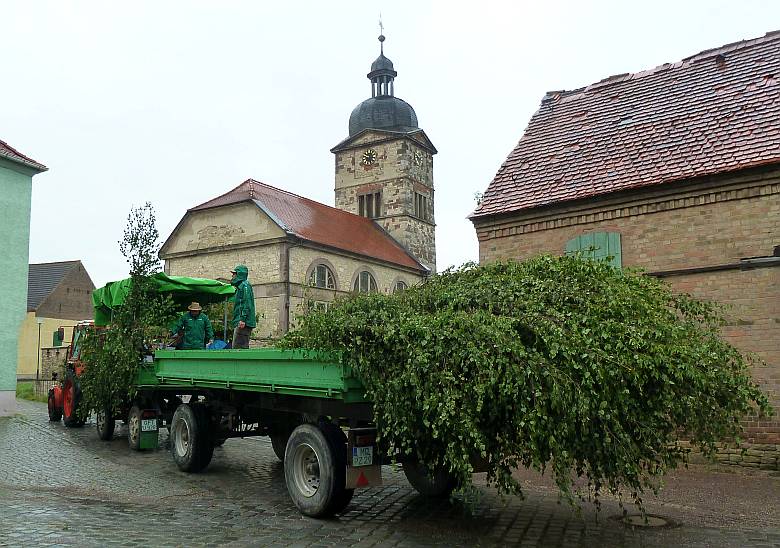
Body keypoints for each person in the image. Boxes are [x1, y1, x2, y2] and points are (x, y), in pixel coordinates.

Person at [230, 265, 256, 349]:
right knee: (238, 347)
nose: (232, 276)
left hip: (243, 322)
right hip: (241, 321)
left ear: (239, 274)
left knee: (239, 348)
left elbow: (247, 303)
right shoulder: (241, 286)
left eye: (234, 274)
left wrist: (243, 319)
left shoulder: (245, 285)